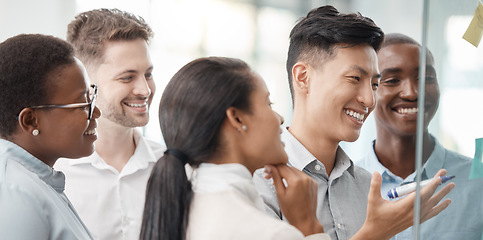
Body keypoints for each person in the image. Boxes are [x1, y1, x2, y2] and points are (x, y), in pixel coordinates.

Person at [253, 5, 454, 240]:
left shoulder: (367, 187)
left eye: (375, 84)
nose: (369, 99)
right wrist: (375, 234)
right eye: (354, 78)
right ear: (303, 77)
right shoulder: (257, 181)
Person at [140, 56, 331, 240]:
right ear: (237, 119)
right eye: (268, 103)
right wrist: (309, 225)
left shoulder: (176, 211)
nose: (279, 118)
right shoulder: (270, 234)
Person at [355, 33, 483, 239]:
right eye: (393, 80)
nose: (412, 92)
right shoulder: (342, 185)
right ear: (368, 92)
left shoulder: (478, 182)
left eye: (426, 78)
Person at [53, 8, 165, 240]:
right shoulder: (53, 176)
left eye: (148, 74)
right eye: (127, 77)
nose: (145, 90)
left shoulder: (175, 167)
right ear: (86, 83)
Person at [0, 34, 100, 239]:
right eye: (83, 105)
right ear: (31, 121)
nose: (96, 113)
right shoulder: (15, 193)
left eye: (91, 98)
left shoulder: (35, 181)